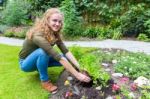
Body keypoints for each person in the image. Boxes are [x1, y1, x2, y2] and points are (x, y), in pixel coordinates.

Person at [18, 8, 91, 94]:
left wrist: (79, 67)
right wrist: (77, 75)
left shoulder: (54, 33)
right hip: (26, 64)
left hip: (40, 58)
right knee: (43, 52)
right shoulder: (37, 35)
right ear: (47, 20)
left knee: (65, 58)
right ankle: (45, 82)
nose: (57, 24)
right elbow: (58, 57)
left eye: (60, 22)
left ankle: (42, 66)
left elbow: (66, 51)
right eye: (54, 20)